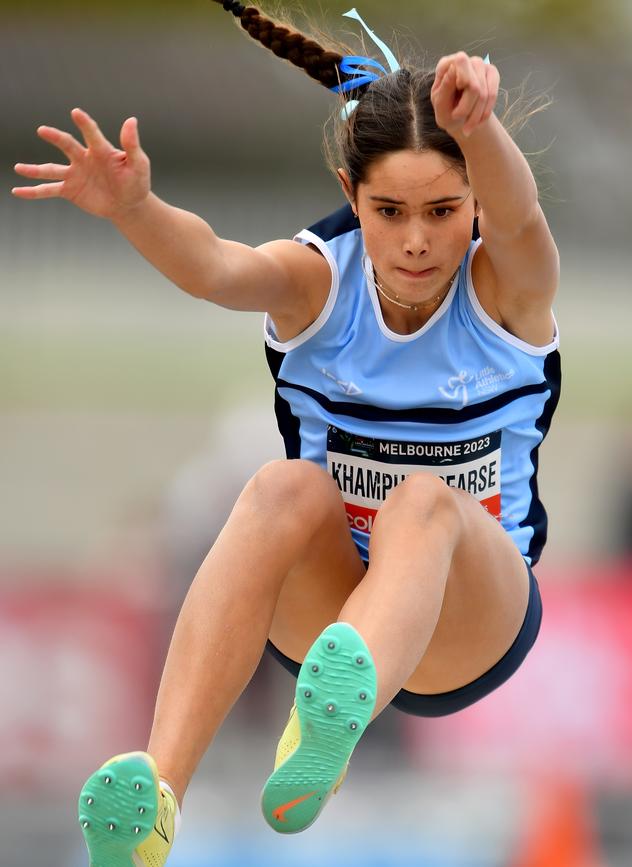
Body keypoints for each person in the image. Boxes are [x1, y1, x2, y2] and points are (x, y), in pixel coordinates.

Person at [12, 1, 561, 863]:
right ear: (352, 195)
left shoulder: (508, 285)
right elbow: (214, 265)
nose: (417, 241)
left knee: (425, 501)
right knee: (281, 485)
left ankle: (329, 717)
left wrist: (482, 129)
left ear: (474, 201)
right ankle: (158, 790)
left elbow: (523, 217)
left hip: (467, 619)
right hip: (333, 601)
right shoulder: (317, 280)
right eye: (389, 212)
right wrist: (135, 209)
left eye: (445, 210)